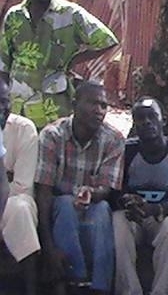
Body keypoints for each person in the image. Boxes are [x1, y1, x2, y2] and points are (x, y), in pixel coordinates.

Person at [0, 0, 119, 129]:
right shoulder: (14, 16)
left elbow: (107, 40)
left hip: (53, 105)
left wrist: (74, 60)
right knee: (20, 143)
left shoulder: (70, 14)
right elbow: (3, 61)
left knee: (53, 143)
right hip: (18, 103)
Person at [34, 80, 125, 295]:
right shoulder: (52, 135)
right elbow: (44, 193)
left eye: (103, 105)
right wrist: (48, 247)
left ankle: (100, 288)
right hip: (60, 209)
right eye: (93, 103)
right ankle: (75, 281)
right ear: (74, 105)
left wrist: (92, 193)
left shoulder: (113, 139)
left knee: (102, 209)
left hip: (93, 205)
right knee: (66, 204)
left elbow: (107, 188)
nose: (99, 111)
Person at [111, 96, 168, 295]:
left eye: (152, 116)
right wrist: (126, 201)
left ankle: (162, 290)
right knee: (118, 221)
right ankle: (129, 290)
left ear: (163, 120)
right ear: (134, 124)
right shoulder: (126, 150)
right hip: (134, 217)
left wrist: (157, 209)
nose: (147, 122)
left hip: (163, 216)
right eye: (140, 118)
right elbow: (113, 193)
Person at [0, 79, 40, 295]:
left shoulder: (24, 129)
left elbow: (22, 187)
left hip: (11, 203)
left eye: (5, 101)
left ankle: (31, 288)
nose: (2, 108)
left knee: (21, 209)